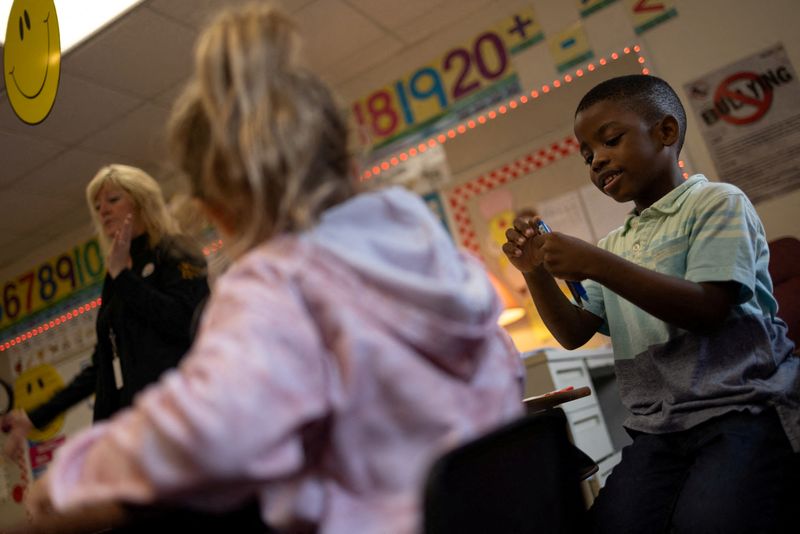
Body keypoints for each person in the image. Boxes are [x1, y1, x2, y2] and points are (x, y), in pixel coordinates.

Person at [23, 4, 523, 533]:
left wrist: (67, 479)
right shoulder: (427, 243)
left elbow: (207, 432)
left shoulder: (277, 283)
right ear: (350, 163)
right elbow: (507, 368)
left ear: (214, 209)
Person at [503, 74, 800, 533]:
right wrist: (535, 273)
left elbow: (709, 309)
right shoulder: (616, 242)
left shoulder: (717, 203)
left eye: (610, 140)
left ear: (665, 132)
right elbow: (574, 332)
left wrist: (597, 263)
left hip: (742, 409)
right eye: (587, 155)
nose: (597, 160)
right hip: (659, 432)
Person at [1, 164, 210, 459]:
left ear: (141, 201)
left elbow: (186, 322)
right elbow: (102, 363)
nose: (103, 211)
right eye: (98, 206)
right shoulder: (115, 274)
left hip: (177, 418)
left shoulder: (175, 250)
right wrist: (35, 416)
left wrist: (124, 277)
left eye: (113, 200)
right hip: (128, 430)